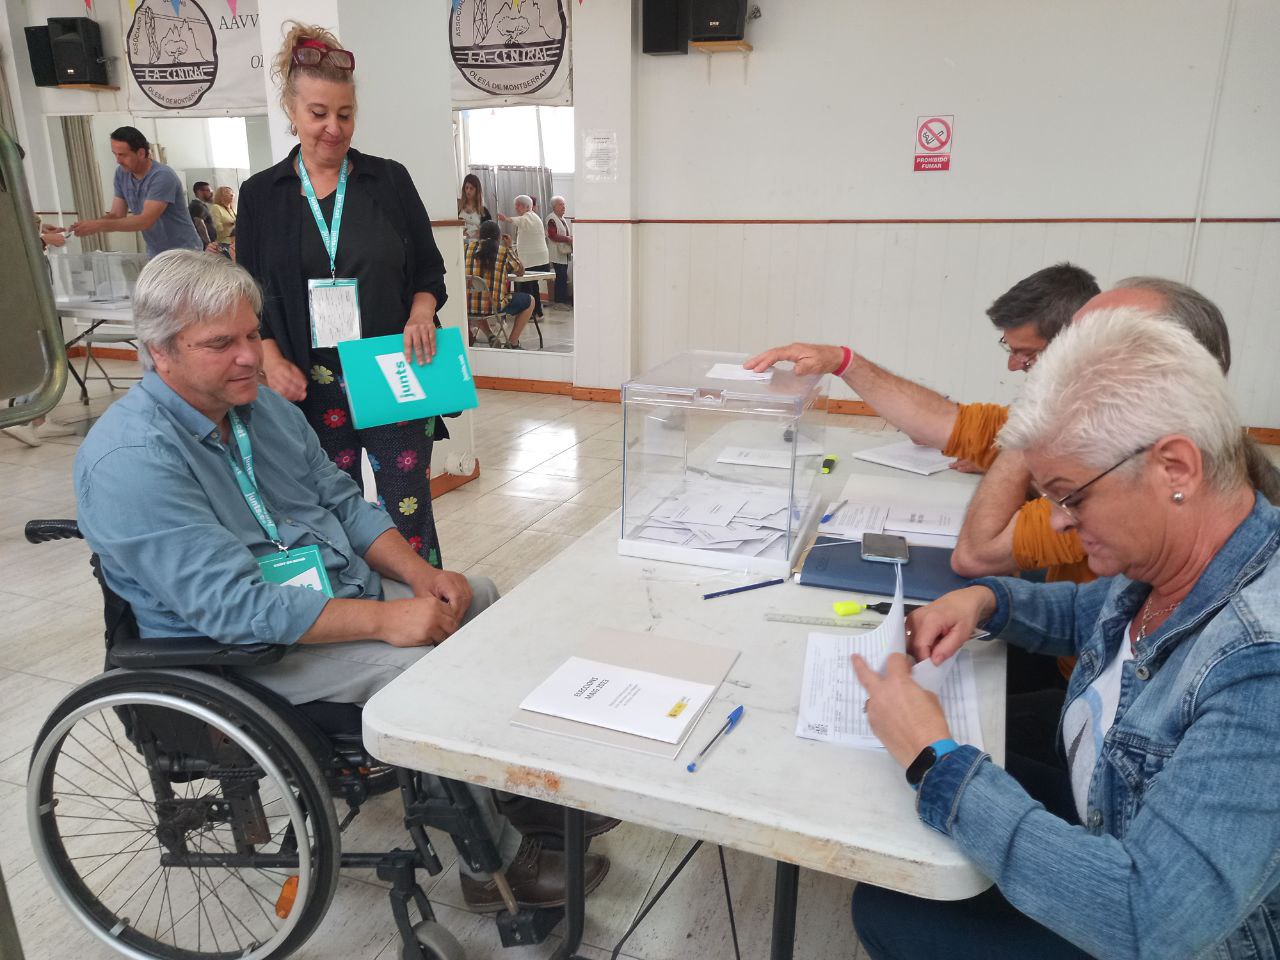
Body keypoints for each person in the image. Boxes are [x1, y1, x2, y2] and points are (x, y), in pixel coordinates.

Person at [73, 249, 613, 913]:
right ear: (161, 352)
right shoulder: (132, 462)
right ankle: (494, 872)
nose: (248, 356)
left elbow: (344, 502)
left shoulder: (259, 410)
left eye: (250, 335)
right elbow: (237, 608)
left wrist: (421, 575)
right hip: (234, 654)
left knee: (481, 599)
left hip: (322, 595)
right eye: (221, 344)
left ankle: (514, 789)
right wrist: (389, 622)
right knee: (413, 666)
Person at [850, 308, 1280, 960]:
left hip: (1148, 923)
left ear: (1175, 470)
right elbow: (1091, 614)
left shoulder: (1260, 668)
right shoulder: (1178, 554)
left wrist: (936, 760)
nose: (1056, 523)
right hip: (1106, 814)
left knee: (893, 908)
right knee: (887, 827)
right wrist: (987, 599)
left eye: (1070, 495)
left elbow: (1150, 919)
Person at [238, 22, 450, 569]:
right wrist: (270, 358)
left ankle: (429, 606)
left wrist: (421, 312)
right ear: (291, 109)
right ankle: (358, 612)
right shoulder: (261, 195)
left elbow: (428, 269)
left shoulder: (389, 181)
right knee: (328, 509)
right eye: (318, 113)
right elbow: (249, 291)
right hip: (309, 382)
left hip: (391, 370)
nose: (333, 128)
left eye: (345, 114)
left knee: (407, 509)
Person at [953, 276, 1280, 584]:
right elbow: (1088, 608)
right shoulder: (1156, 534)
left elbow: (975, 554)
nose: (1060, 370)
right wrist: (993, 600)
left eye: (1072, 497)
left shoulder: (1128, 510)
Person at [744, 263, 1101, 473]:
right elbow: (951, 422)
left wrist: (1014, 467)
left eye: (1027, 354)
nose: (1013, 365)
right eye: (1010, 348)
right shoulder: (1046, 414)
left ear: (1076, 347)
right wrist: (841, 360)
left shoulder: (1096, 439)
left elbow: (977, 555)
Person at [69, 126, 202, 258]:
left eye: (123, 155)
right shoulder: (121, 174)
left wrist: (98, 225)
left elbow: (145, 220)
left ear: (141, 153)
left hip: (184, 252)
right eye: (114, 154)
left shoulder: (162, 176)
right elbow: (116, 214)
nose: (117, 160)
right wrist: (88, 225)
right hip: (156, 253)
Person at [3, 215, 77, 447]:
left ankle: (38, 419)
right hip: (23, 294)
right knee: (41, 355)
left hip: (29, 291)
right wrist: (43, 239)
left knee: (44, 352)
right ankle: (24, 419)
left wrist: (40, 232)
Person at [465, 220, 535, 349]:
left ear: (479, 234)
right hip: (494, 306)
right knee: (530, 300)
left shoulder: (466, 249)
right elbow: (520, 271)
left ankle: (490, 336)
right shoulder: (503, 252)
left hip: (466, 305)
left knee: (478, 302)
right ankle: (512, 342)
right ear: (499, 236)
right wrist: (510, 247)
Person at [498, 195, 550, 321]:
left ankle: (534, 313)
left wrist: (506, 219)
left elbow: (521, 221)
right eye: (516, 205)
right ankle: (535, 313)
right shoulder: (532, 217)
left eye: (519, 205)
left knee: (529, 287)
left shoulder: (529, 217)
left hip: (534, 260)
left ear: (527, 207)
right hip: (535, 259)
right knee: (531, 287)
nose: (516, 208)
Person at [546, 195, 572, 306]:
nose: (563, 207)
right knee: (560, 277)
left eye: (564, 204)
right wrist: (567, 239)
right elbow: (552, 235)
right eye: (560, 204)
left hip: (564, 252)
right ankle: (559, 302)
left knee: (563, 276)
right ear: (554, 206)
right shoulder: (552, 218)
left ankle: (562, 301)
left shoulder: (562, 218)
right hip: (556, 252)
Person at [458, 173, 491, 242]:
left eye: (471, 188)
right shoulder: (458, 209)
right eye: (466, 188)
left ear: (477, 190)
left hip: (477, 246)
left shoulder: (484, 211)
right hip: (461, 245)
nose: (468, 191)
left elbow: (490, 232)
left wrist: (479, 233)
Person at [209, 185, 237, 254]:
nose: (231, 194)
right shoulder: (216, 208)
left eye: (232, 192)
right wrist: (228, 224)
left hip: (236, 242)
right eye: (227, 192)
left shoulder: (233, 209)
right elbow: (216, 228)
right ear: (220, 196)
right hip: (224, 243)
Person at [188, 181, 216, 248]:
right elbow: (199, 223)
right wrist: (208, 243)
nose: (211, 193)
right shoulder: (198, 206)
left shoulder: (199, 205)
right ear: (200, 192)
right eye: (209, 191)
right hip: (203, 245)